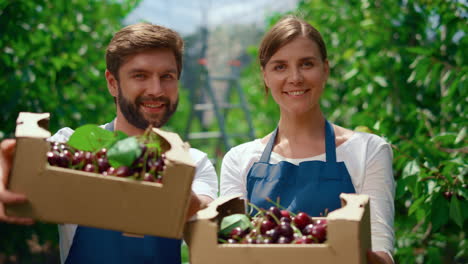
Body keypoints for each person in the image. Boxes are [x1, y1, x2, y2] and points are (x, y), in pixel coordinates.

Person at [0, 23, 218, 264]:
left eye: (167, 76)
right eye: (140, 76)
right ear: (112, 83)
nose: (156, 90)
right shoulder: (73, 147)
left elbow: (204, 216)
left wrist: (167, 175)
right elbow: (16, 162)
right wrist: (6, 169)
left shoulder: (194, 163)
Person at [220, 16, 395, 264]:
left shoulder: (369, 151)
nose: (295, 78)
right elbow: (229, 251)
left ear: (325, 69)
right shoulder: (238, 160)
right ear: (265, 77)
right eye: (280, 66)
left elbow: (381, 253)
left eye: (306, 64)